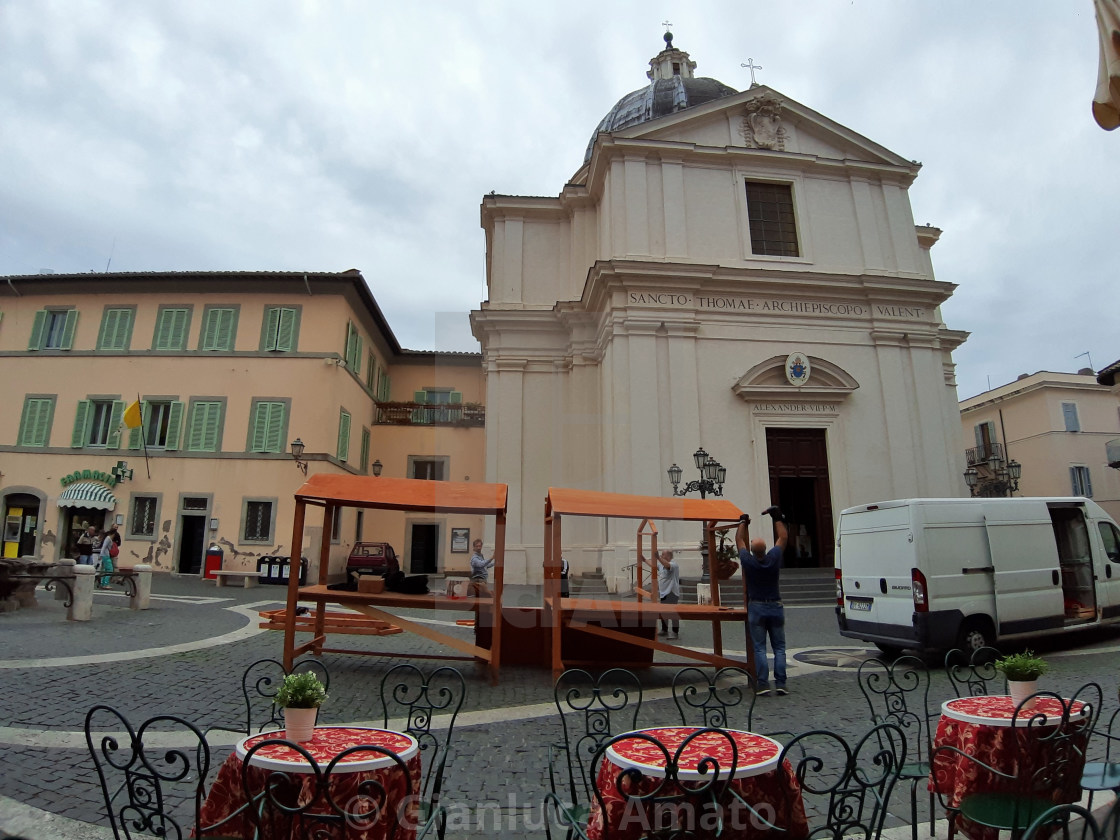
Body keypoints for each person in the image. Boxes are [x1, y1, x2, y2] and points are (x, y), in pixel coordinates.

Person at [737, 506, 789, 696]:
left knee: (759, 647)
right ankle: (781, 683)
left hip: (757, 606)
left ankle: (763, 683)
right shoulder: (773, 559)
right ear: (766, 549)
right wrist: (777, 518)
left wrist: (743, 522)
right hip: (775, 605)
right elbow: (783, 538)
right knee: (780, 647)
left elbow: (739, 541)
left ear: (752, 550)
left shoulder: (748, 561)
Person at [657, 549, 681, 640]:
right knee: (663, 612)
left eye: (663, 555)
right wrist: (644, 560)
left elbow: (667, 565)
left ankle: (675, 632)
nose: (662, 556)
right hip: (663, 593)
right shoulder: (661, 565)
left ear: (669, 556)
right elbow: (653, 566)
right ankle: (664, 630)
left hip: (671, 593)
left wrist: (658, 557)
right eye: (661, 554)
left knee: (673, 613)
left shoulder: (673, 565)